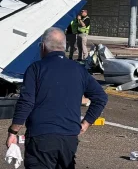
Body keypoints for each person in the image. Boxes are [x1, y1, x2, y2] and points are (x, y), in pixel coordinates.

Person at [6, 27, 108, 169]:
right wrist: (86, 123)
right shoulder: (79, 70)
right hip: (69, 138)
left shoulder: (35, 69)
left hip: (41, 137)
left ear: (42, 47)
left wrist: (13, 131)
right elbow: (101, 97)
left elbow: (26, 102)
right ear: (64, 47)